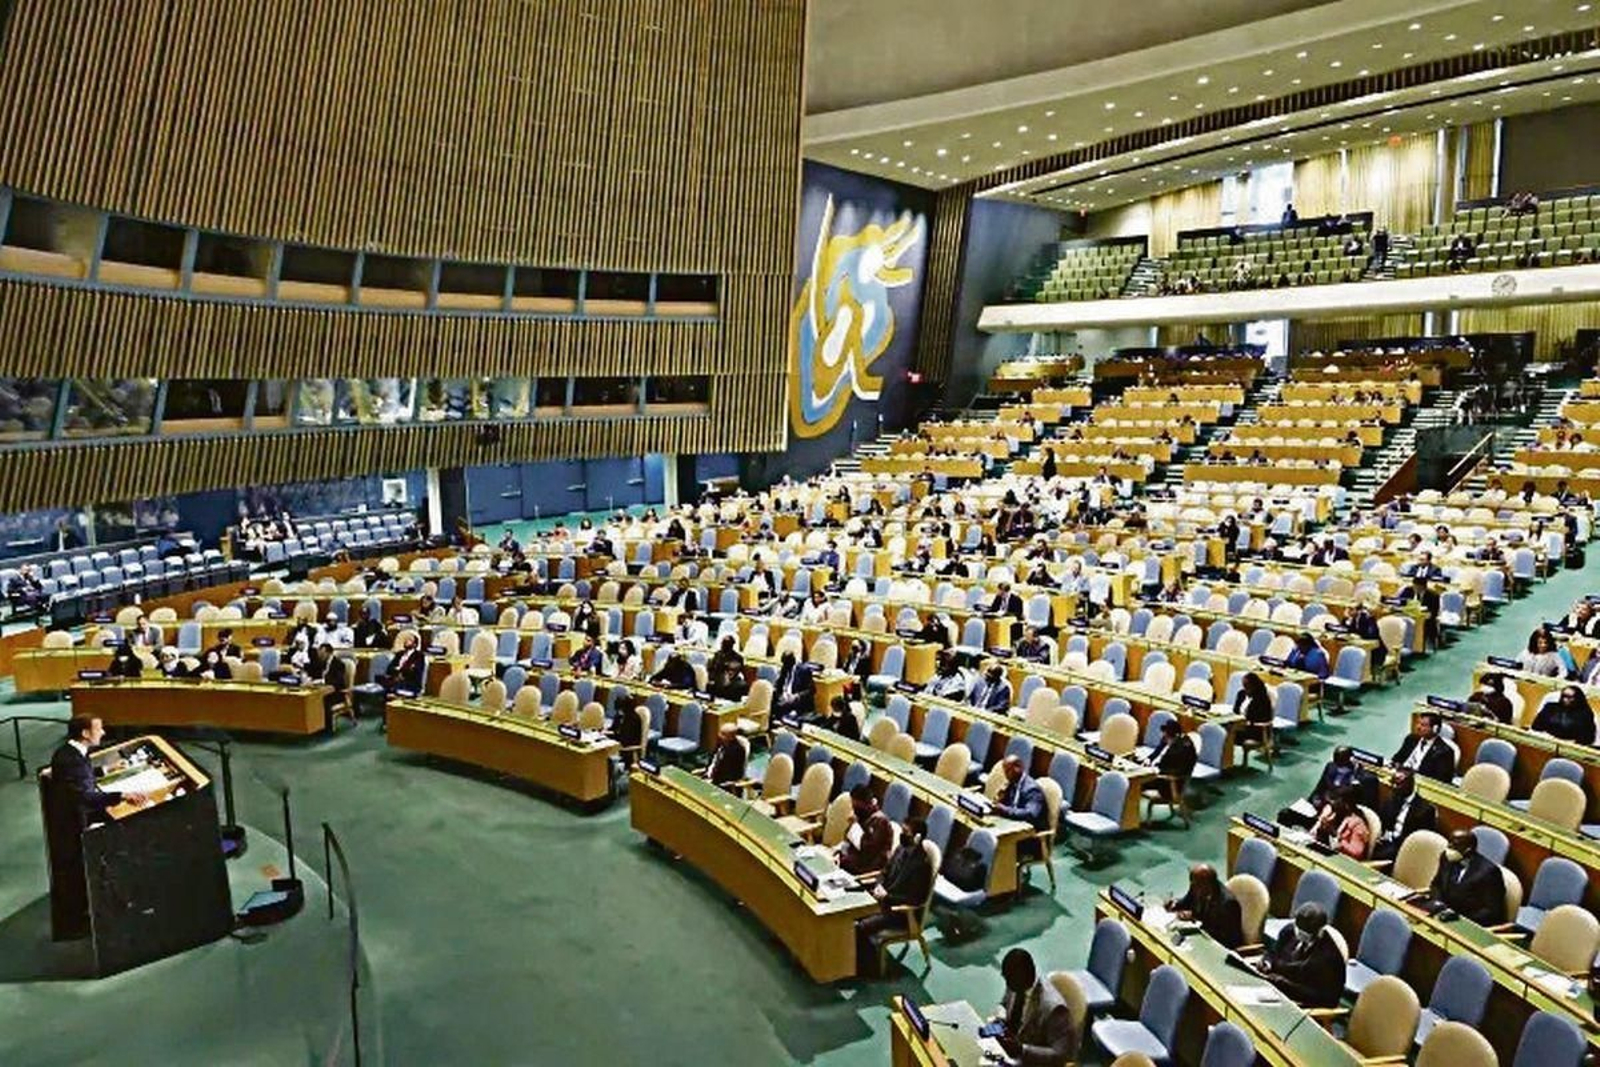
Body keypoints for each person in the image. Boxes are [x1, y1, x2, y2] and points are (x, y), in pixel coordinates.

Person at [45, 716, 152, 937]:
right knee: (78, 874)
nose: (103, 732)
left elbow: (79, 779)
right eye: (98, 728)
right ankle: (82, 924)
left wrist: (104, 771)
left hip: (73, 821)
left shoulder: (71, 752)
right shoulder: (70, 759)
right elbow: (83, 796)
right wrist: (122, 795)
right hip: (73, 827)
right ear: (85, 733)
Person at [854, 817, 935, 976]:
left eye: (906, 832)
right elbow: (884, 872)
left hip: (900, 913)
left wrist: (888, 896)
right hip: (884, 900)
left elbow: (915, 898)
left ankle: (869, 969)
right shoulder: (901, 849)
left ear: (917, 837)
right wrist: (879, 885)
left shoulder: (922, 864)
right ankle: (854, 960)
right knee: (849, 914)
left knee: (860, 927)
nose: (902, 835)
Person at [992, 948, 1076, 1066]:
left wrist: (1022, 1050)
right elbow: (1004, 1004)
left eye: (1009, 979)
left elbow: (1062, 1055)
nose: (1007, 985)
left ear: (1023, 976)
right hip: (1010, 1049)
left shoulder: (1053, 1008)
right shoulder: (1016, 985)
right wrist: (999, 1019)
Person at [1255, 903, 1345, 1008]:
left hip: (1301, 1002)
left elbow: (1325, 998)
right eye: (1298, 931)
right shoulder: (1289, 931)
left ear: (1320, 931)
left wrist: (1285, 984)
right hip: (1273, 989)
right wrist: (1267, 962)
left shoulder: (1328, 957)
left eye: (1305, 934)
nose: (1299, 936)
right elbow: (1273, 952)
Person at [1422, 829, 1506, 925]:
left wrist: (1458, 918)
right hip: (1442, 914)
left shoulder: (1489, 872)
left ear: (1468, 849)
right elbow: (1436, 884)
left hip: (1469, 921)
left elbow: (1491, 911)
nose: (1449, 848)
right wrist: (1439, 905)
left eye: (1454, 845)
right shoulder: (1446, 858)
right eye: (1449, 843)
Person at [1279, 746, 1374, 827]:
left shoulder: (1360, 778)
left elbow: (1356, 805)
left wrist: (1330, 807)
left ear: (1350, 760)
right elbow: (1320, 788)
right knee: (1285, 814)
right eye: (1336, 761)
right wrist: (1312, 802)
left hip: (1336, 816)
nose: (1337, 765)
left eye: (1341, 762)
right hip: (1319, 807)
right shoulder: (1331, 767)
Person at [1168, 863, 1244, 949]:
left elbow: (1226, 937)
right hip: (1201, 938)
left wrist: (1194, 919)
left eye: (1195, 884)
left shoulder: (1228, 903)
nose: (1192, 887)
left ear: (1207, 884)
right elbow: (1186, 902)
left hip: (1220, 946)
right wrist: (1174, 904)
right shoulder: (1197, 886)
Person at [1371, 769, 1436, 864]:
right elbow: (1381, 821)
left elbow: (1421, 840)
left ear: (1410, 784)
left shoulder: (1425, 810)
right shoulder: (1391, 800)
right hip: (1386, 842)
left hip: (1406, 848)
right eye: (1393, 783)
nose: (1394, 787)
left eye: (1398, 784)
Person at [1140, 719, 1197, 812]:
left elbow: (1181, 771)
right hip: (1161, 772)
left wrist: (1156, 771)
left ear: (1175, 736)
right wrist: (1149, 759)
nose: (1164, 738)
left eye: (1166, 736)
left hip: (1170, 783)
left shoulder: (1182, 749)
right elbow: (1158, 749)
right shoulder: (1171, 737)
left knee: (1137, 784)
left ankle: (1130, 818)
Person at [836, 785, 893, 875]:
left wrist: (854, 825)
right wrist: (840, 852)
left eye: (855, 805)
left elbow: (866, 850)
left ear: (866, 804)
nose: (853, 808)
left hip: (865, 870)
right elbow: (848, 841)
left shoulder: (880, 822)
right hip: (850, 862)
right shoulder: (862, 816)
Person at [1391, 711, 1455, 781]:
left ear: (1435, 729)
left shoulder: (1444, 752)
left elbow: (1441, 780)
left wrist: (1409, 775)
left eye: (1423, 725)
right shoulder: (1411, 739)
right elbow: (1397, 758)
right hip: (1400, 776)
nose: (1418, 727)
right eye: (1418, 723)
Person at [1311, 787, 1371, 859]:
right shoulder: (1331, 812)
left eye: (1335, 801)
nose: (1331, 804)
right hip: (1319, 852)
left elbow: (1357, 853)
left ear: (1346, 804)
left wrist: (1337, 838)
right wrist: (1319, 824)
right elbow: (1313, 834)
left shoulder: (1358, 825)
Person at [1531, 685, 1597, 745]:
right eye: (1564, 696)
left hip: (1570, 746)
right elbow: (1536, 726)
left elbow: (1587, 739)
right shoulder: (1550, 707)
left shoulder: (1585, 714)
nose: (1565, 700)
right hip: (1546, 741)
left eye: (1570, 697)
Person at [1233, 671, 1275, 753]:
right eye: (1244, 685)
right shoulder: (1241, 694)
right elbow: (1235, 710)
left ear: (1254, 685)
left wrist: (1245, 724)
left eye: (1248, 686)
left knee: (1227, 735)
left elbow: (1263, 720)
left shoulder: (1262, 699)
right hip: (1240, 725)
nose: (1245, 688)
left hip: (1255, 731)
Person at [703, 723, 747, 791]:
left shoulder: (737, 751)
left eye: (723, 734)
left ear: (731, 737)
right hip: (707, 778)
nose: (719, 735)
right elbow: (713, 760)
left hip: (720, 785)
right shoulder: (721, 743)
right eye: (720, 732)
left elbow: (734, 774)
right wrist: (706, 772)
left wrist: (713, 781)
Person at [773, 651, 816, 717]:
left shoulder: (803, 671)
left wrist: (797, 696)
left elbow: (812, 690)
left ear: (792, 661)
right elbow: (779, 684)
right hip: (784, 698)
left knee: (778, 707)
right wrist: (778, 692)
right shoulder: (785, 668)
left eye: (786, 664)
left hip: (796, 700)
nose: (784, 666)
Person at [609, 693, 645, 766]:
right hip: (616, 744)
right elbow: (613, 729)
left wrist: (612, 736)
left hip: (627, 750)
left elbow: (625, 739)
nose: (619, 712)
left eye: (621, 710)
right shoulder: (619, 715)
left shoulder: (633, 719)